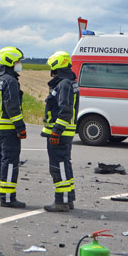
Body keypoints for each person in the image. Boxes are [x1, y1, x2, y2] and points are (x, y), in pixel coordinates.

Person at [0, 46, 27, 208]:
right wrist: (20, 127)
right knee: (9, 162)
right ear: (10, 62)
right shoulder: (11, 81)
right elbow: (13, 107)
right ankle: (8, 198)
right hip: (9, 129)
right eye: (18, 61)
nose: (19, 64)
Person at [41, 50, 79, 212]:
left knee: (58, 167)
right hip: (64, 132)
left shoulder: (63, 84)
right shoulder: (68, 82)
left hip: (60, 134)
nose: (51, 69)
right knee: (65, 165)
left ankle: (62, 201)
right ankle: (68, 198)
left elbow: (65, 111)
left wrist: (56, 131)